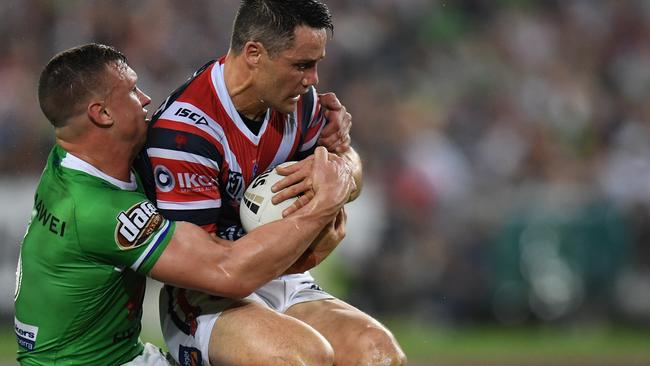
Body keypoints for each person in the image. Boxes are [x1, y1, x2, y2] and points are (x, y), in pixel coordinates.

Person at [13, 43, 354, 366]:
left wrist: (326, 130)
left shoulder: (75, 157)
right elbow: (228, 272)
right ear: (101, 114)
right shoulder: (99, 210)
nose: (145, 99)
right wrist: (321, 207)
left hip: (103, 352)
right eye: (132, 91)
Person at [138, 1, 406, 365]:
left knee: (378, 353)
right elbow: (211, 270)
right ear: (254, 54)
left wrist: (341, 173)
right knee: (297, 358)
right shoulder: (185, 134)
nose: (312, 79)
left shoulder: (299, 102)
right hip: (205, 296)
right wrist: (314, 224)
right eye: (302, 65)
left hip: (280, 276)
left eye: (316, 64)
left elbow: (348, 166)